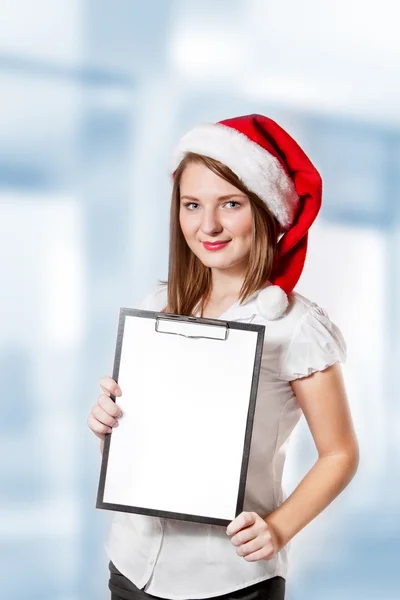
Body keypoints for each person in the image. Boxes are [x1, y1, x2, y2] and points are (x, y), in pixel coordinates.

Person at [87, 114, 359, 600]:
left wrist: (278, 529)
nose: (207, 225)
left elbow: (339, 453)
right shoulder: (157, 308)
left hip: (228, 579)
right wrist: (110, 422)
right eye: (192, 205)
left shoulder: (295, 326)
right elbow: (146, 439)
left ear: (263, 210)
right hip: (131, 565)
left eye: (229, 204)